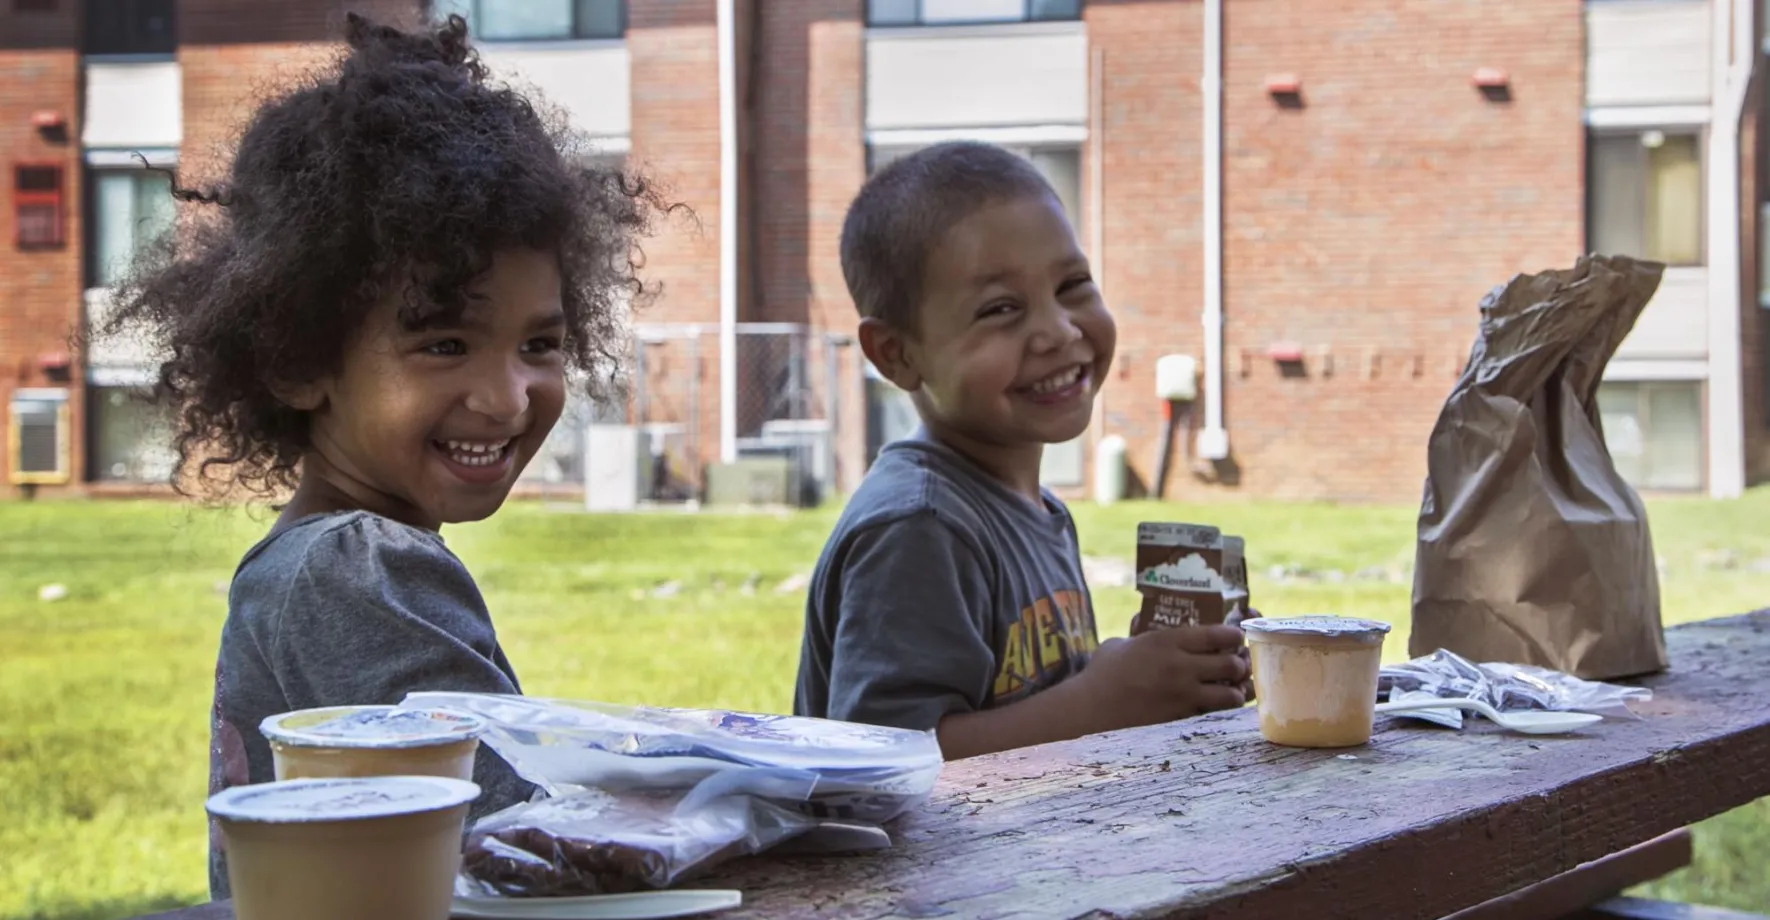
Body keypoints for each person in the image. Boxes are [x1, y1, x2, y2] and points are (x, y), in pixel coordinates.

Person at [99, 13, 663, 898]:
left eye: (540, 345)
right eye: (445, 344)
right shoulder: (359, 572)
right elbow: (519, 842)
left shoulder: (317, 560)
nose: (508, 395)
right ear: (297, 360)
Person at [794, 142, 1250, 760]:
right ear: (897, 354)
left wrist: (1136, 673)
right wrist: (1105, 701)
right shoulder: (921, 526)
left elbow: (1029, 707)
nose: (1059, 330)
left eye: (1073, 284)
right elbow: (886, 756)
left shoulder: (1035, 510)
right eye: (1001, 309)